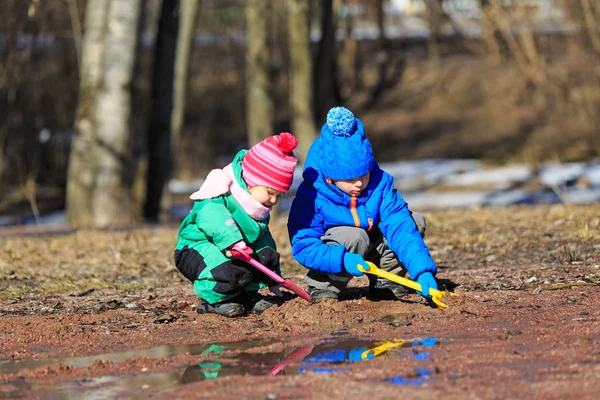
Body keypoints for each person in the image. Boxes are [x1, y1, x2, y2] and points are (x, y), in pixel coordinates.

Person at [287, 106, 438, 302]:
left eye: (364, 175)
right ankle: (325, 285)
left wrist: (422, 270)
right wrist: (340, 258)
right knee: (355, 236)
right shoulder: (312, 194)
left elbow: (401, 226)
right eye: (349, 179)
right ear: (331, 178)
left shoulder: (380, 184)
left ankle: (386, 279)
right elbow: (303, 244)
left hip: (373, 244)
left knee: (413, 221)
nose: (358, 183)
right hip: (338, 252)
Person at [174, 132, 298, 317]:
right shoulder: (220, 192)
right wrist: (232, 240)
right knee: (228, 268)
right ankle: (213, 300)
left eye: (279, 195)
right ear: (251, 182)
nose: (274, 200)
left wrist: (274, 277)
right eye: (270, 192)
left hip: (234, 249)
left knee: (264, 254)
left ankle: (245, 295)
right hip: (196, 248)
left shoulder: (258, 206)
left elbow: (263, 239)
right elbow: (213, 217)